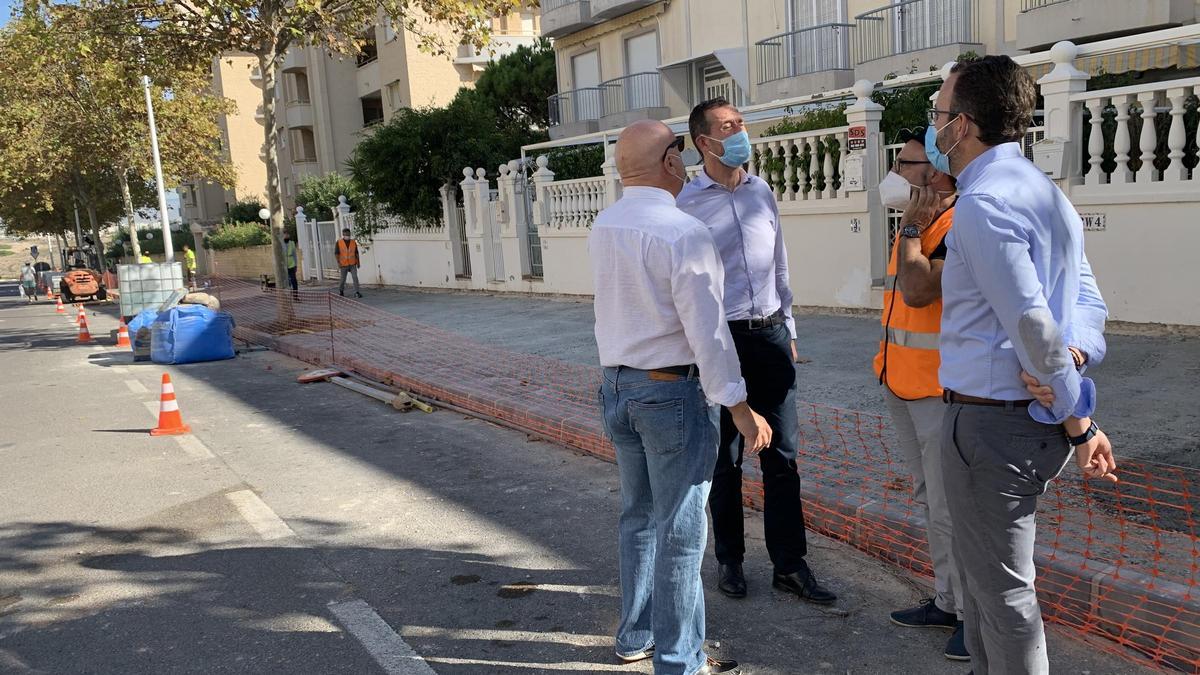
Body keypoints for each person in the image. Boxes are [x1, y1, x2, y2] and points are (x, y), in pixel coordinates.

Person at [931, 55, 1116, 675]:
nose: (933, 128)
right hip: (1015, 423)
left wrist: (1078, 418)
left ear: (962, 125)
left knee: (1003, 596)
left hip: (992, 427)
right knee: (990, 591)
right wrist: (1077, 355)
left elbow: (1034, 326)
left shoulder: (985, 203)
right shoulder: (1045, 194)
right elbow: (1085, 305)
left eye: (938, 114)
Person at [592, 118, 772, 675]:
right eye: (679, 153)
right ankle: (679, 660)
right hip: (671, 392)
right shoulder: (682, 231)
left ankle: (636, 634)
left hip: (618, 388)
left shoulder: (606, 224)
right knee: (681, 530)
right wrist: (739, 408)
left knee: (639, 517)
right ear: (671, 161)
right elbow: (709, 332)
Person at [676, 98, 835, 606]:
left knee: (783, 455)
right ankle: (730, 560)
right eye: (729, 126)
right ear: (705, 143)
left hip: (768, 337)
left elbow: (780, 267)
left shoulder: (761, 191)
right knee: (726, 458)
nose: (741, 132)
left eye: (741, 123)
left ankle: (789, 564)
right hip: (720, 341)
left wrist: (789, 329)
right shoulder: (686, 203)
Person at [871, 128, 969, 661]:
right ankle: (947, 599)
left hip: (939, 391)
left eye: (906, 164)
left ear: (933, 172)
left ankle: (971, 616)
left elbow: (918, 290)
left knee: (952, 508)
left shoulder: (955, 224)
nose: (897, 174)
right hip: (902, 382)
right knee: (931, 502)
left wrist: (913, 226)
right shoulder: (917, 224)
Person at [335, 228, 362, 298]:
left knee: (355, 277)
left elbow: (356, 253)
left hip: (352, 263)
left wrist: (358, 262)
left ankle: (357, 292)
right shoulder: (339, 242)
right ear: (343, 235)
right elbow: (336, 253)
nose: (348, 236)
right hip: (343, 264)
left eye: (349, 234)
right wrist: (338, 262)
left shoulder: (353, 242)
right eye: (346, 235)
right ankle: (341, 291)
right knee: (343, 279)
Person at [283, 232, 299, 298]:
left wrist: (296, 265)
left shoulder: (292, 243)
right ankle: (287, 296)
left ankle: (295, 296)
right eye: (285, 235)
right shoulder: (280, 243)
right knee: (286, 282)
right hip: (284, 265)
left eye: (287, 234)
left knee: (293, 280)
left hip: (292, 264)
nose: (286, 236)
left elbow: (295, 255)